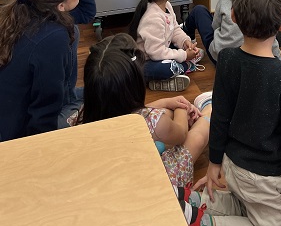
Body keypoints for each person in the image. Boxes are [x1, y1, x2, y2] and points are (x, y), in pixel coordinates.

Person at [186, 0, 281, 226]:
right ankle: (208, 225)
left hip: (232, 165)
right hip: (268, 180)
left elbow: (220, 116)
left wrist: (214, 162)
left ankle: (195, 204)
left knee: (241, 201)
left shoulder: (227, 58)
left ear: (232, 16)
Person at [69, 33, 211, 187]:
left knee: (165, 115)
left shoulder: (83, 113)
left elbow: (133, 111)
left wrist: (166, 102)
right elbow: (182, 134)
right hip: (154, 182)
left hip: (112, 175)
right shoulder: (153, 120)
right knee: (197, 136)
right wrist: (182, 107)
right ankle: (209, 105)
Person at [0, 0, 82, 142]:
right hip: (18, 135)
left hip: (10, 113)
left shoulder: (16, 13)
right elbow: (44, 112)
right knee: (104, 98)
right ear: (60, 6)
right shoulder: (54, 38)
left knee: (91, 90)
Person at [128, 0, 205, 92]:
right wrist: (184, 55)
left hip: (161, 49)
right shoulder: (153, 17)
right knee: (168, 68)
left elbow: (174, 29)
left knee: (197, 52)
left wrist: (185, 42)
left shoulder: (167, 5)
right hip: (147, 61)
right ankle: (181, 69)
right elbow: (156, 53)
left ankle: (183, 66)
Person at [58, 0, 97, 129]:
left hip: (64, 94)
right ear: (61, 5)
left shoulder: (56, 15)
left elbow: (87, 13)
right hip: (46, 113)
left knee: (109, 90)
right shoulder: (55, 37)